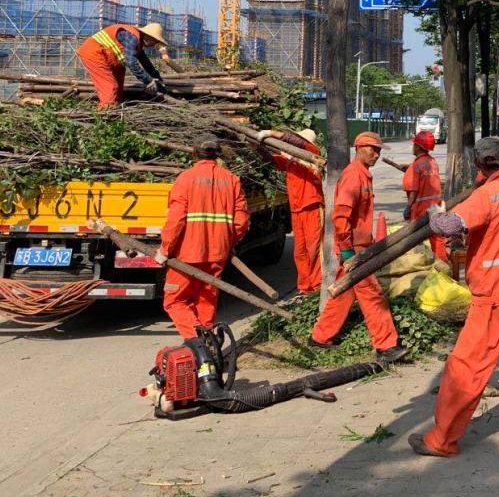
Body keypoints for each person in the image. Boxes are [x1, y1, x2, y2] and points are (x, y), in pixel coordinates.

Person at [409, 137, 499, 458]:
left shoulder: (488, 194)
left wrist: (435, 211)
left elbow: (448, 225)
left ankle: (441, 440)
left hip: (492, 295)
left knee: (466, 367)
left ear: (478, 164)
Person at [309, 132, 405, 363]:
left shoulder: (363, 175)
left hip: (359, 247)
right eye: (372, 149)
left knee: (343, 293)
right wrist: (347, 250)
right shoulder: (354, 176)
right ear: (358, 148)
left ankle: (320, 338)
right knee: (372, 295)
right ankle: (387, 345)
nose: (376, 154)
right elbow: (341, 216)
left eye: (378, 150)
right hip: (354, 250)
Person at [155, 136, 249, 339]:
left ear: (194, 153)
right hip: (218, 254)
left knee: (175, 300)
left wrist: (165, 250)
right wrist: (228, 243)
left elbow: (176, 220)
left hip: (186, 255)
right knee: (206, 301)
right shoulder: (232, 180)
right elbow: (241, 221)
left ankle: (197, 344)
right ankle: (207, 345)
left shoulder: (186, 179)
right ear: (217, 154)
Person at [257, 127, 323, 294]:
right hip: (296, 208)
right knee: (300, 250)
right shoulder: (290, 160)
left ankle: (317, 285)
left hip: (312, 206)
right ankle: (305, 286)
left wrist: (270, 133)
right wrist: (258, 145)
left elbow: (295, 142)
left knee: (314, 248)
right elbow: (270, 160)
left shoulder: (312, 152)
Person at [77, 21, 169, 108]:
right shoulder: (132, 38)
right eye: (155, 40)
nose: (154, 44)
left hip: (109, 57)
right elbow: (130, 62)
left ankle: (115, 108)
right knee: (111, 86)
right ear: (148, 36)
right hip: (94, 53)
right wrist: (148, 81)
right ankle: (105, 114)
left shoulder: (138, 44)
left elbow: (147, 65)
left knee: (119, 85)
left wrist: (159, 82)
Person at [403, 130, 445, 262]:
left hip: (421, 208)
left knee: (416, 239)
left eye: (414, 144)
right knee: (437, 238)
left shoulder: (417, 165)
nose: (412, 147)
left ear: (418, 146)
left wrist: (408, 206)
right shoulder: (433, 162)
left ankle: (420, 264)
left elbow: (414, 189)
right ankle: (442, 266)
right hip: (436, 206)